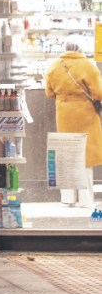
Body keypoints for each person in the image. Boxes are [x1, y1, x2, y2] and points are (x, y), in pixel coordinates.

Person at [44, 41, 102, 208]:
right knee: (85, 156)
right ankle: (85, 200)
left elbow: (49, 93)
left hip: (64, 113)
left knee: (66, 154)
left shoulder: (54, 66)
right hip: (86, 113)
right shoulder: (88, 65)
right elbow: (99, 92)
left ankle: (68, 199)